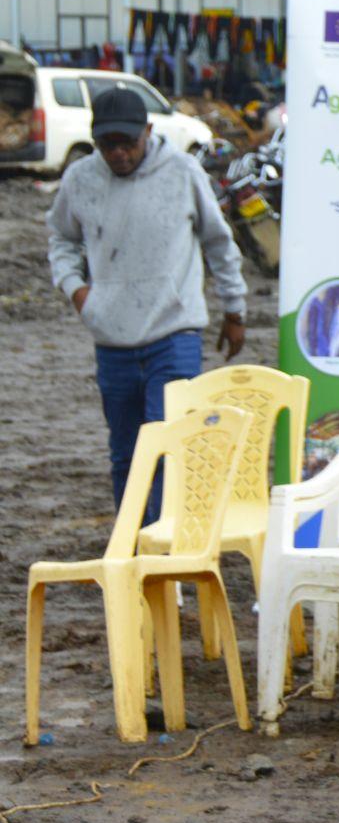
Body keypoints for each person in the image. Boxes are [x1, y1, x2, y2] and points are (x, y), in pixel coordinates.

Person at [47, 87, 246, 521]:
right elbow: (61, 237)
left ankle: (168, 548)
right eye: (107, 145)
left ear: (149, 132)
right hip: (112, 340)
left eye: (127, 143)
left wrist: (235, 311)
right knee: (126, 454)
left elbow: (219, 242)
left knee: (170, 444)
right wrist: (77, 290)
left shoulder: (182, 171)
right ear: (95, 140)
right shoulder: (80, 179)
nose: (118, 154)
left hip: (174, 334)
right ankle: (133, 548)